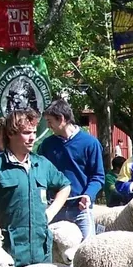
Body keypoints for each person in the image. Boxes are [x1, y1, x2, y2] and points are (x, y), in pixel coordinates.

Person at [0, 109, 71, 267]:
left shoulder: (42, 164)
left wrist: (51, 212)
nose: (32, 137)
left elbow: (65, 185)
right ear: (11, 134)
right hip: (10, 253)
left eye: (34, 132)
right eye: (27, 133)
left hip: (41, 252)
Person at [39, 98, 105, 241]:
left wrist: (88, 195)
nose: (49, 126)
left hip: (81, 211)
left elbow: (98, 176)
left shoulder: (90, 143)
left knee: (87, 250)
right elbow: (39, 175)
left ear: (61, 119)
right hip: (55, 209)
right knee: (54, 253)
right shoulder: (47, 145)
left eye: (50, 121)